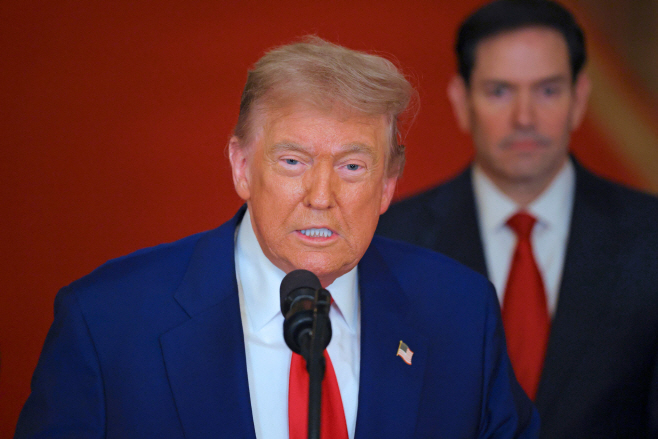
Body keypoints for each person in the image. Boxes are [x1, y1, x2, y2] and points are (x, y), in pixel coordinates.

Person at [15, 36, 538, 438]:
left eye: (352, 166)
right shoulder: (106, 323)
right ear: (242, 167)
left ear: (387, 185)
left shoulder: (460, 313)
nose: (321, 196)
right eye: (293, 161)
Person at [377, 1, 658, 438]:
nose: (524, 118)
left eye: (547, 91)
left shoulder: (650, 236)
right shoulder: (393, 241)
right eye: (499, 92)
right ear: (462, 101)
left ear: (579, 99)